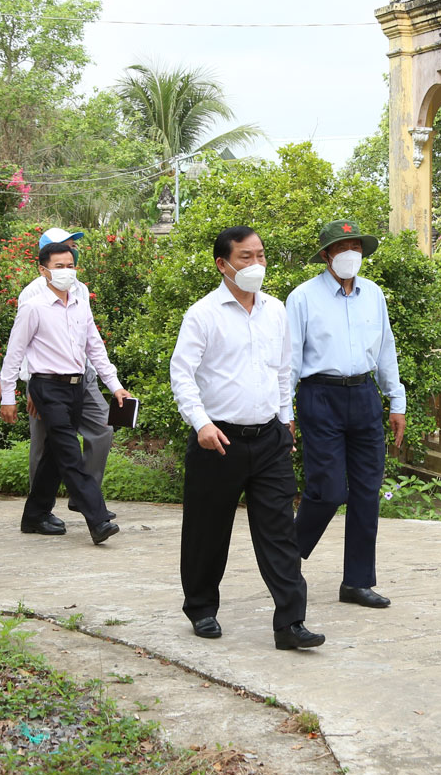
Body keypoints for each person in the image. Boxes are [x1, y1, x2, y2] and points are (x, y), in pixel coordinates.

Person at [169, 226, 323, 650]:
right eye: (245, 257)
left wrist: (286, 421)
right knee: (207, 530)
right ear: (222, 264)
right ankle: (201, 608)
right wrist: (200, 423)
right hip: (218, 440)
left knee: (279, 532)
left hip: (269, 438)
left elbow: (282, 370)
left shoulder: (275, 311)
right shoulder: (203, 314)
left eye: (261, 256)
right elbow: (181, 374)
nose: (256, 265)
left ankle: (290, 623)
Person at [287, 219, 406, 609]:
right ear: (326, 255)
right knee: (328, 490)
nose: (350, 254)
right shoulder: (302, 298)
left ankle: (356, 581)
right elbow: (289, 360)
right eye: (342, 247)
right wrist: (282, 411)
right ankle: (286, 558)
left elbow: (385, 348)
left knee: (368, 491)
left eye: (355, 246)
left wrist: (396, 400)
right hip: (320, 395)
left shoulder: (373, 295)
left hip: (365, 395)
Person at [0, 242, 127, 544]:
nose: (66, 271)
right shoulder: (33, 306)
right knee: (69, 452)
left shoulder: (81, 303)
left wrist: (115, 385)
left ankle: (34, 514)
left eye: (70, 265)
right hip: (47, 386)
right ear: (43, 270)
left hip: (77, 386)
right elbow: (14, 353)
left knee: (56, 455)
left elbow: (94, 346)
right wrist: (9, 396)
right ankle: (97, 519)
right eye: (59, 266)